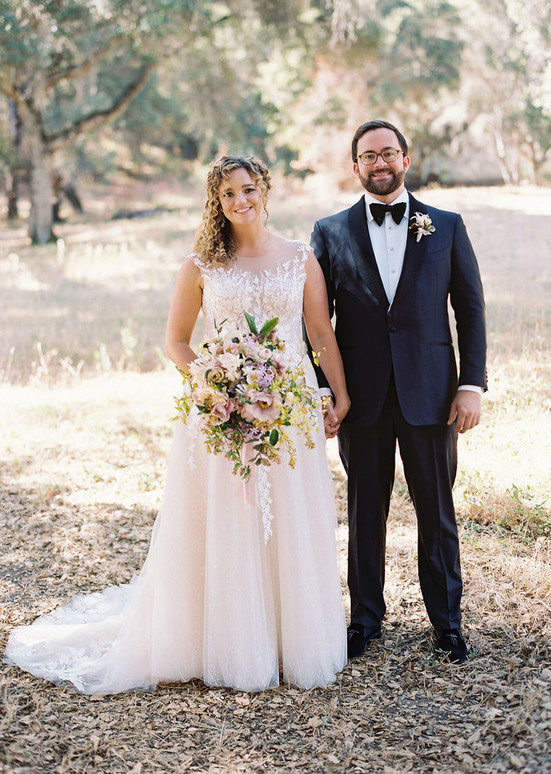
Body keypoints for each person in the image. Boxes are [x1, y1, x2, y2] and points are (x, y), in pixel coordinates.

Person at [4, 155, 350, 693]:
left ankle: (289, 638)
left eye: (247, 189)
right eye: (227, 194)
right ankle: (227, 642)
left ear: (265, 190)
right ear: (216, 202)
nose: (240, 201)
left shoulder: (300, 259)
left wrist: (339, 393)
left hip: (291, 406)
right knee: (227, 520)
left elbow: (320, 334)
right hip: (219, 411)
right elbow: (176, 343)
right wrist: (218, 382)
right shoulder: (200, 266)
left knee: (289, 512)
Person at [311, 120, 486, 664]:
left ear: (405, 160)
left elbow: (470, 309)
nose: (379, 163)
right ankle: (364, 620)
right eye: (369, 155)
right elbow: (313, 321)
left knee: (436, 510)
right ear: (355, 165)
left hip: (431, 393)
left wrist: (470, 384)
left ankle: (448, 624)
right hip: (358, 397)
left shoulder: (447, 225)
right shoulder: (329, 231)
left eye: (389, 153)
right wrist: (322, 390)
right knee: (366, 509)